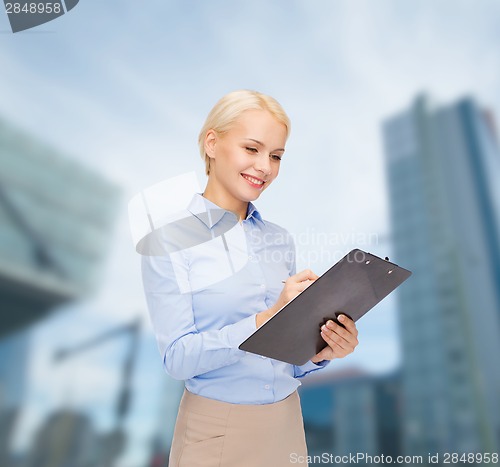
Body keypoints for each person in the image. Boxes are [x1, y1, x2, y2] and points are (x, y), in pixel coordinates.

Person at [140, 90, 359, 466]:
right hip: (215, 432)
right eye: (252, 149)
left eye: (276, 156)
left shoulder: (278, 239)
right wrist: (264, 319)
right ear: (212, 143)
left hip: (287, 425)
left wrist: (324, 349)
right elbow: (177, 358)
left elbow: (286, 356)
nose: (265, 167)